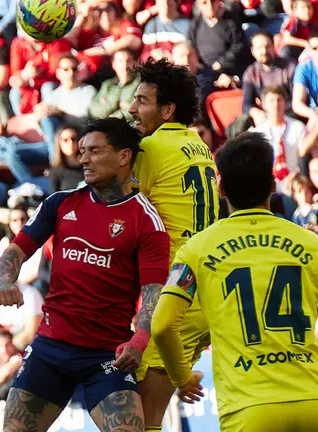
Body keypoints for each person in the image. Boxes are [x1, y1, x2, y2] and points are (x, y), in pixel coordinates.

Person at [151, 132, 318, 431]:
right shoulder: (313, 244)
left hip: (249, 409)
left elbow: (162, 325)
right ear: (272, 186)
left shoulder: (197, 250)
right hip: (314, 403)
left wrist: (182, 378)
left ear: (221, 188)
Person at [0, 117, 170, 432]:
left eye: (95, 151)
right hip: (50, 348)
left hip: (107, 356)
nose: (83, 158)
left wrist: (139, 340)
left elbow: (155, 292)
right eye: (82, 150)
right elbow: (14, 252)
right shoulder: (60, 204)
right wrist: (6, 280)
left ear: (124, 156)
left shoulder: (145, 220)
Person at [127, 58, 220, 430]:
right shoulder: (197, 143)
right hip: (205, 291)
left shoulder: (150, 148)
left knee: (143, 421)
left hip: (176, 297)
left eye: (143, 101)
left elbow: (124, 213)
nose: (133, 108)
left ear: (167, 109)